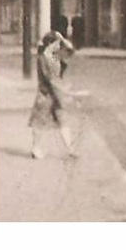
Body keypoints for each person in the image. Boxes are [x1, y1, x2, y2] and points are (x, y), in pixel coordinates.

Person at [28, 31, 76, 160]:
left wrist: (64, 41)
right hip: (47, 94)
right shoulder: (45, 58)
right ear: (50, 44)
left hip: (53, 94)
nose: (59, 46)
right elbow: (51, 79)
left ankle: (70, 149)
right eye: (57, 43)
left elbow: (71, 52)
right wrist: (65, 91)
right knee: (41, 122)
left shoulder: (53, 56)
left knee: (60, 120)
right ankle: (36, 149)